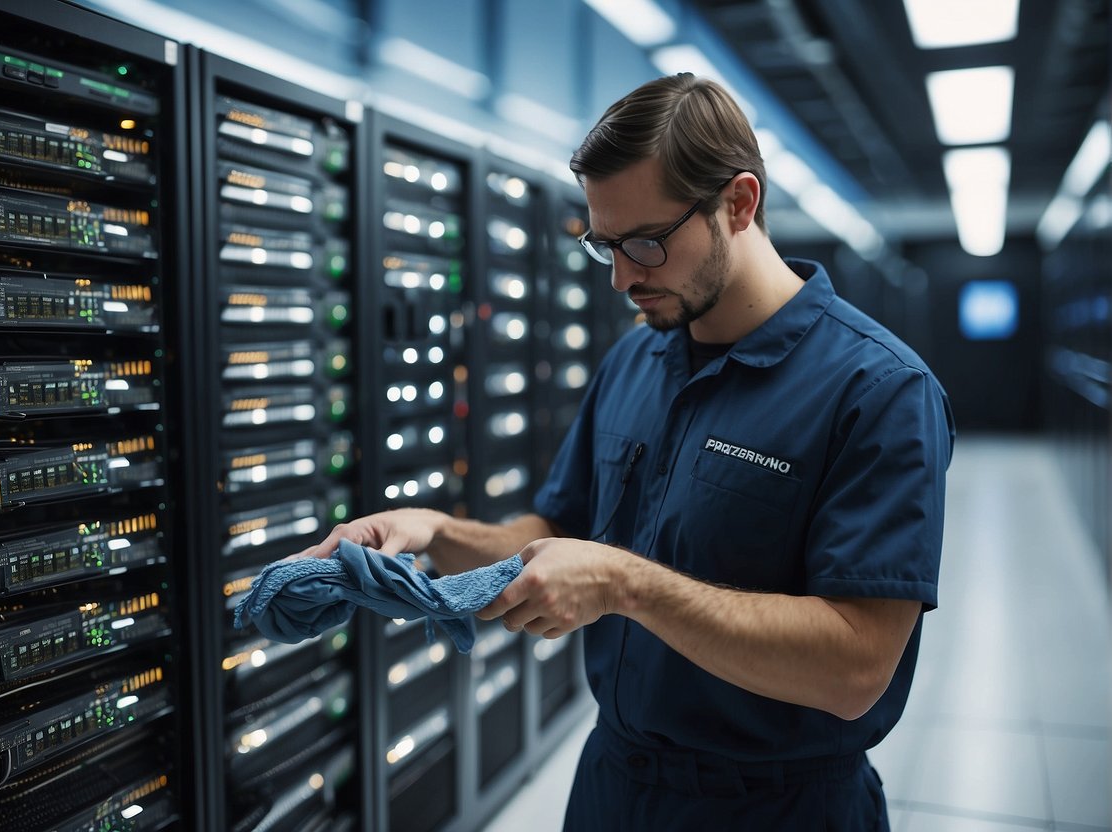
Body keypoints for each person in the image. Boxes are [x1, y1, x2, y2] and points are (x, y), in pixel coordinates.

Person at [299, 73, 954, 830]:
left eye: (645, 242)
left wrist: (625, 585)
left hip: (777, 807)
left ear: (738, 203)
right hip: (615, 782)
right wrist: (436, 533)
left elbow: (853, 669)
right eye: (602, 245)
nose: (620, 277)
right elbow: (552, 534)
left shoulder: (877, 390)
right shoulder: (639, 358)